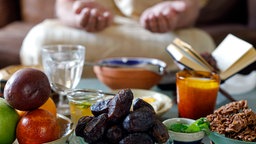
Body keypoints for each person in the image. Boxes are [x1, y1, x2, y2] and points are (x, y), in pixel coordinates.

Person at [20, 0, 215, 78]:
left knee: (202, 46)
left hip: (157, 35)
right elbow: (64, 6)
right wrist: (80, 17)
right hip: (96, 33)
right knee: (40, 40)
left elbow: (189, 7)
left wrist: (172, 15)